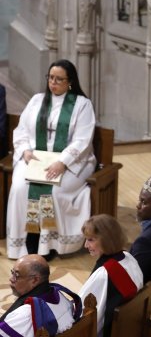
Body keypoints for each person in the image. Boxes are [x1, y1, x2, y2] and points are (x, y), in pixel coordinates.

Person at [6, 59, 96, 259]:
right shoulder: (37, 100)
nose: (53, 82)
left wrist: (62, 162)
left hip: (72, 162)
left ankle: (48, 245)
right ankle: (26, 243)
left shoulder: (82, 105)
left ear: (70, 82)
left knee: (53, 192)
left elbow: (82, 140)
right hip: (35, 159)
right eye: (50, 78)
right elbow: (20, 130)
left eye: (59, 79)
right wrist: (25, 150)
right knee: (21, 188)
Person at [0, 254, 82, 337]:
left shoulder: (25, 316)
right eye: (12, 272)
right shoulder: (62, 297)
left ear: (34, 280)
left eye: (16, 275)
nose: (11, 279)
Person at [78, 214, 143, 337]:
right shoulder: (128, 257)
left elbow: (84, 316)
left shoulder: (104, 274)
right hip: (130, 331)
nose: (85, 245)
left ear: (106, 240)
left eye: (90, 240)